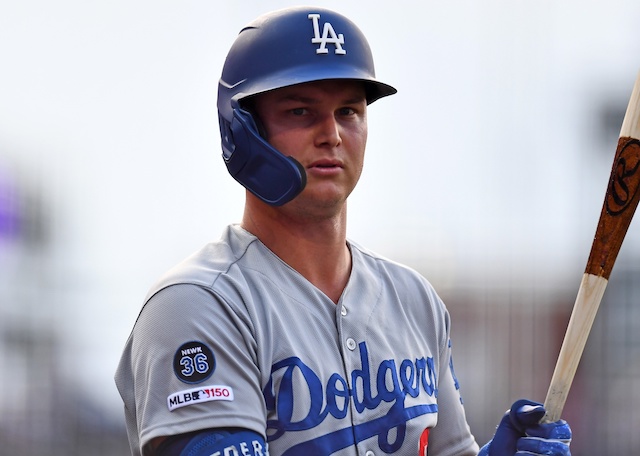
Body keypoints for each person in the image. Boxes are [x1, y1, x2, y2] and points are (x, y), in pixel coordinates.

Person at [115, 6, 572, 456]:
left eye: (349, 111)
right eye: (300, 111)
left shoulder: (414, 299)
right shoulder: (197, 305)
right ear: (244, 131)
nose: (331, 133)